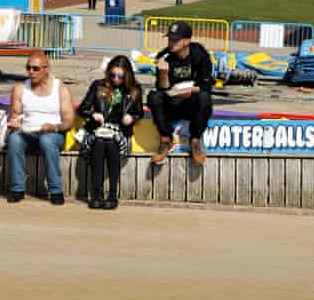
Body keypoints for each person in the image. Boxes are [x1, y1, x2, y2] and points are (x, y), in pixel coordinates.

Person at [6, 53, 75, 205]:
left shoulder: (60, 88)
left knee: (47, 140)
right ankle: (17, 189)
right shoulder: (20, 88)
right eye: (28, 68)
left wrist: (55, 127)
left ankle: (56, 190)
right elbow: (15, 116)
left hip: (53, 133)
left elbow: (69, 120)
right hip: (28, 132)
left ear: (46, 69)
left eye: (36, 68)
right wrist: (14, 122)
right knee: (14, 139)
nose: (31, 72)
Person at [77, 55, 143, 210]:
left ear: (127, 75)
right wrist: (93, 114)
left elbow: (139, 112)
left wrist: (131, 117)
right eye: (112, 75)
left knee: (112, 143)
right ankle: (96, 194)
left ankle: (112, 194)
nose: (116, 79)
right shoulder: (98, 86)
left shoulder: (134, 90)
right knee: (99, 142)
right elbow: (82, 109)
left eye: (120, 76)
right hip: (97, 132)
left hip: (121, 135)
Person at [147, 22, 213, 166]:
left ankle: (195, 141)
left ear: (187, 41)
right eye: (170, 39)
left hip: (191, 101)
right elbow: (162, 89)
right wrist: (163, 73)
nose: (171, 43)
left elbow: (206, 86)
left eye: (175, 40)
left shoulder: (200, 54)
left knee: (204, 98)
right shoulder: (164, 56)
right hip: (172, 103)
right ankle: (165, 139)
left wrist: (188, 91)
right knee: (153, 96)